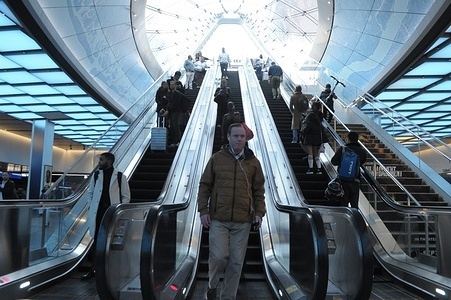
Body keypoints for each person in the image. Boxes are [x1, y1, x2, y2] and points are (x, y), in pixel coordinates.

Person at [197, 123, 266, 300]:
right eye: (235, 136)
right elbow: (204, 186)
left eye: (242, 136)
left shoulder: (253, 162)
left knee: (236, 262)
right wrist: (203, 210)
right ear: (228, 137)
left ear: (246, 139)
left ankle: (228, 296)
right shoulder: (216, 159)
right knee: (219, 256)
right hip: (218, 218)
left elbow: (259, 190)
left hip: (243, 220)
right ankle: (212, 285)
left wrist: (259, 212)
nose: (239, 139)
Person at [82, 152, 130, 280]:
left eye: (101, 160)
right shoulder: (97, 175)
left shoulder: (120, 176)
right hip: (98, 213)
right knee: (97, 241)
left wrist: (121, 210)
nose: (99, 162)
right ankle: (94, 269)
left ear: (109, 161)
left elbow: (126, 196)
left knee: (111, 241)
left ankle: (110, 269)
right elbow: (90, 193)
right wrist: (90, 207)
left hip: (112, 214)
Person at [331, 131, 367, 208]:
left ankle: (344, 218)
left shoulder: (343, 149)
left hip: (343, 180)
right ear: (357, 139)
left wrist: (342, 163)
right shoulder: (362, 151)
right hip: (355, 179)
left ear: (348, 139)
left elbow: (333, 161)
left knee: (343, 203)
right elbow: (362, 162)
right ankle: (355, 219)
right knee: (354, 204)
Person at [300, 101, 326, 174]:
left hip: (309, 138)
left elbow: (305, 129)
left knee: (310, 154)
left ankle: (311, 169)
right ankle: (319, 169)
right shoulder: (320, 119)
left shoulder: (310, 117)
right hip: (318, 138)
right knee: (316, 155)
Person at [164, 80, 191, 147]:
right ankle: (175, 141)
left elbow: (175, 103)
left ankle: (179, 141)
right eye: (171, 84)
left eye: (173, 84)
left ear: (175, 85)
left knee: (175, 126)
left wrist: (168, 110)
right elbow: (169, 102)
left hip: (176, 112)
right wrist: (166, 109)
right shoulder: (170, 93)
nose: (171, 86)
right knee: (172, 127)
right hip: (171, 112)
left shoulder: (177, 93)